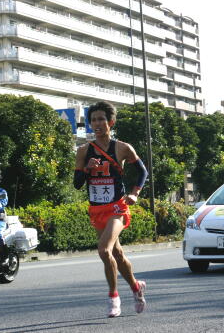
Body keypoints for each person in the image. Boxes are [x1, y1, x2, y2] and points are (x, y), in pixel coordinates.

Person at [74, 101, 149, 318]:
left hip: (117, 207)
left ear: (111, 122)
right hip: (97, 209)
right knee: (117, 253)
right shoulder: (83, 151)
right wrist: (87, 170)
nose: (97, 124)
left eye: (101, 119)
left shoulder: (123, 148)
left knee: (104, 250)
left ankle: (113, 298)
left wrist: (135, 193)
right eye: (94, 120)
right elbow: (77, 183)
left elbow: (142, 172)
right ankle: (136, 287)